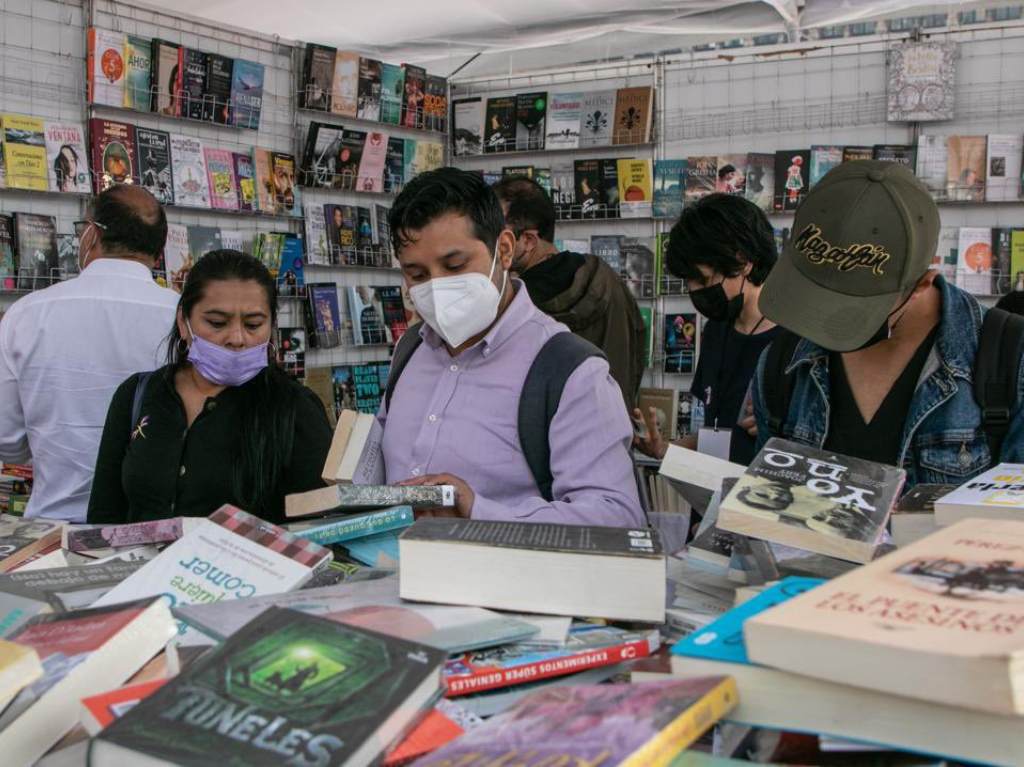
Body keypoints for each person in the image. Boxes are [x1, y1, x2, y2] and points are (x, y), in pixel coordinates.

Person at [355, 167, 643, 527]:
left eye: (455, 265)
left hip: (505, 579)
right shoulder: (410, 349)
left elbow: (618, 517)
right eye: (417, 275)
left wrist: (479, 510)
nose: (437, 287)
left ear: (504, 251)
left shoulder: (571, 371)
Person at [751, 160, 1024, 487]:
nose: (822, 320)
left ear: (922, 284)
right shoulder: (782, 363)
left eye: (851, 307)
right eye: (816, 293)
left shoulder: (1008, 362)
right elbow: (765, 505)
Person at [87, 250, 332, 525]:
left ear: (272, 326)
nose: (237, 338)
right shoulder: (136, 394)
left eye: (253, 324)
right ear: (184, 322)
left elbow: (317, 530)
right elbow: (103, 518)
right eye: (217, 323)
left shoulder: (295, 409)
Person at [0, 186, 178, 522]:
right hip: (152, 525)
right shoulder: (184, 317)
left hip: (54, 526)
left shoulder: (26, 314)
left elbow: (7, 440)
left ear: (91, 234)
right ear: (160, 249)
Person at [635, 193, 781, 464]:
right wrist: (665, 449)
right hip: (709, 499)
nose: (694, 292)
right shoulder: (716, 330)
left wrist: (783, 432)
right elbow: (717, 435)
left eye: (703, 280)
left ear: (743, 261)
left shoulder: (794, 343)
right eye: (689, 282)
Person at [492, 175, 645, 407]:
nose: (487, 240)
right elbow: (634, 354)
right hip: (610, 422)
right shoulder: (607, 277)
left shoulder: (515, 301)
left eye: (495, 232)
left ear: (529, 240)